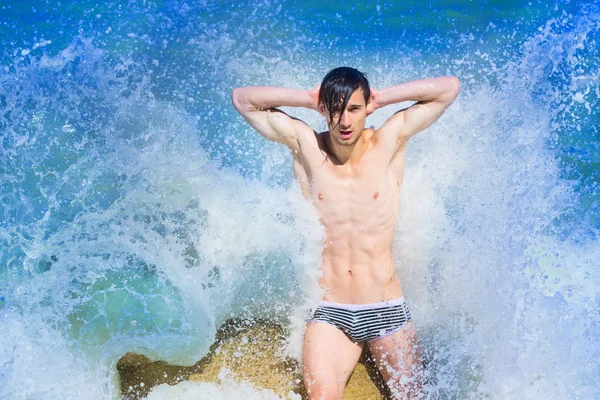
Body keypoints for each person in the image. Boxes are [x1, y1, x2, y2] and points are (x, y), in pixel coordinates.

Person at [232, 67, 460, 399]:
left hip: (386, 307)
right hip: (331, 311)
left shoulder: (388, 140)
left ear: (366, 107)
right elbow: (243, 100)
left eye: (353, 109)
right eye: (335, 109)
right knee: (323, 395)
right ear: (324, 110)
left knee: (410, 395)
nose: (345, 121)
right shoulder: (307, 145)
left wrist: (379, 99)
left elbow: (448, 88)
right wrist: (310, 98)